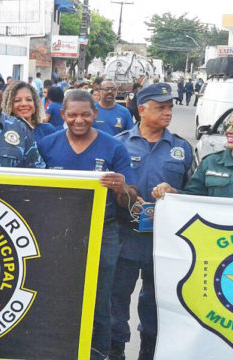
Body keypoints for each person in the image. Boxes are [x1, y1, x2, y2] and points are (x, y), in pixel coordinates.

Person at [38, 90, 137, 360]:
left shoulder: (113, 147)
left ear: (95, 114)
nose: (78, 120)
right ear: (63, 115)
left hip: (103, 231)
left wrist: (120, 188)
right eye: (72, 115)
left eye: (85, 115)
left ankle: (99, 353)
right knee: (57, 293)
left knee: (99, 297)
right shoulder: (47, 145)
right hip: (59, 231)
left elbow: (131, 197)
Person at [110, 83, 192, 360]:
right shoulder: (118, 143)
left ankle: (150, 351)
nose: (168, 112)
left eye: (170, 107)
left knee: (158, 303)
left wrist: (175, 193)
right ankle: (115, 351)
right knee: (116, 300)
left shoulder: (181, 148)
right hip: (126, 236)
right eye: (160, 107)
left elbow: (195, 194)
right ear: (141, 109)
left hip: (166, 241)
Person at [152, 112, 233, 199]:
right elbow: (192, 198)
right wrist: (171, 192)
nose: (228, 131)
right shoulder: (210, 163)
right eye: (227, 125)